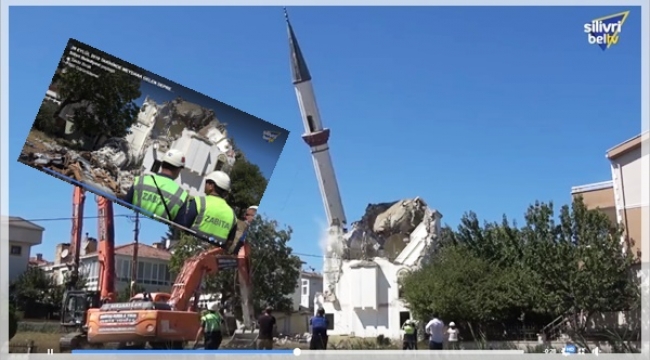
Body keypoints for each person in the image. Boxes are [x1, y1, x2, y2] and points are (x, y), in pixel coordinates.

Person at [125, 149, 189, 224]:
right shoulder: (181, 195)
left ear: (162, 164)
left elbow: (124, 207)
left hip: (130, 228)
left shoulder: (140, 181)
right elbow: (178, 227)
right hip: (156, 235)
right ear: (178, 170)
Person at [183, 171, 238, 246]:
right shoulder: (232, 215)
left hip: (190, 248)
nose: (204, 185)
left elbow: (183, 225)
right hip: (212, 255)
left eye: (206, 182)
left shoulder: (198, 202)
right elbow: (230, 242)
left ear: (211, 186)